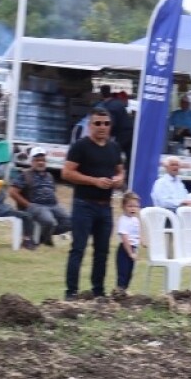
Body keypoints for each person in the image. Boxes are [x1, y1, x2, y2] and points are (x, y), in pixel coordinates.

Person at [62, 108, 126, 300]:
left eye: (106, 124)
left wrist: (117, 180)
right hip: (84, 204)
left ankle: (98, 291)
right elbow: (67, 173)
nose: (102, 127)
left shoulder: (114, 148)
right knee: (78, 248)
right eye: (98, 123)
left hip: (105, 206)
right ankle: (71, 292)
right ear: (90, 126)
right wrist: (94, 181)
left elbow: (121, 172)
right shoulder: (80, 146)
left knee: (102, 251)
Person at [8, 146, 71, 248]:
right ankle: (44, 239)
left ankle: (44, 236)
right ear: (31, 162)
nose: (40, 162)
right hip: (36, 206)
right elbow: (12, 192)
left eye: (43, 160)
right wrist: (28, 205)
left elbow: (52, 192)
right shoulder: (25, 175)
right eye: (37, 160)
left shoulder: (49, 176)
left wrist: (57, 204)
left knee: (70, 222)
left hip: (53, 205)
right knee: (49, 221)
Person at [114, 192, 141, 296]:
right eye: (130, 206)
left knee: (130, 273)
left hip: (133, 248)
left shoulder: (135, 220)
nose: (133, 208)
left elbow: (136, 232)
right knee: (123, 273)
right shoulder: (123, 220)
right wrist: (130, 253)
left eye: (136, 206)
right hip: (124, 250)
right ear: (123, 206)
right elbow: (125, 238)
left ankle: (124, 291)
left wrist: (141, 240)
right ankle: (119, 292)